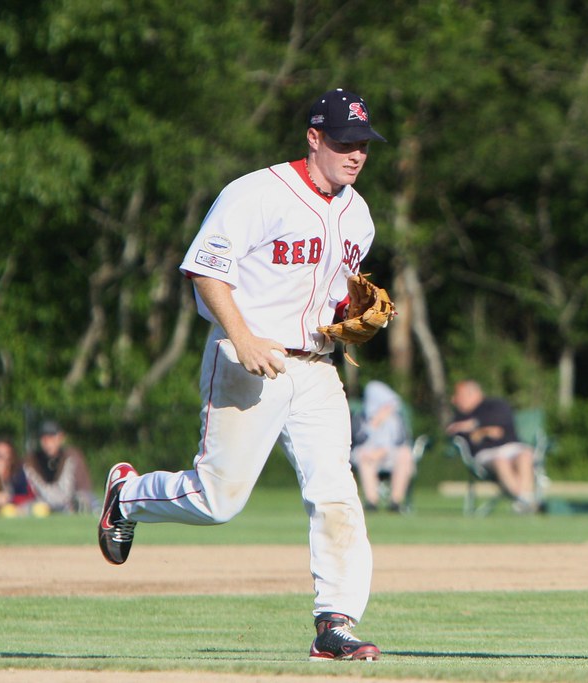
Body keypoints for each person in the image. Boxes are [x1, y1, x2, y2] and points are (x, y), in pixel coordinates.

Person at [97, 88, 387, 661]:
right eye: (344, 142)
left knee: (336, 495)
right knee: (217, 500)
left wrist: (349, 320)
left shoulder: (358, 213)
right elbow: (206, 272)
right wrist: (242, 335)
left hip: (317, 368)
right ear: (314, 138)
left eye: (363, 145)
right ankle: (127, 494)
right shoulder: (257, 192)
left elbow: (333, 299)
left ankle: (336, 623)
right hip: (248, 358)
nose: (355, 155)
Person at [445, 380, 537, 513]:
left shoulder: (496, 404)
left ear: (472, 394)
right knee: (500, 461)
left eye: (458, 395)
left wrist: (478, 428)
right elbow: (452, 430)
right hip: (486, 454)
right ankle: (524, 499)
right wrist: (486, 429)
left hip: (512, 447)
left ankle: (522, 500)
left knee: (525, 455)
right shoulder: (459, 415)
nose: (453, 400)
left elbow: (501, 422)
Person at [350, 379, 416, 512]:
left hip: (390, 456)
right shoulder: (361, 417)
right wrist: (374, 425)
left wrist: (384, 450)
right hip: (368, 454)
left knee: (405, 455)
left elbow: (401, 441)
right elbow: (357, 439)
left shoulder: (395, 419)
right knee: (365, 457)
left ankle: (396, 501)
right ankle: (371, 501)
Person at [24, 421, 97, 514]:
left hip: (70, 503)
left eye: (52, 438)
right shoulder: (32, 461)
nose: (48, 443)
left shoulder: (72, 457)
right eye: (44, 439)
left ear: (60, 438)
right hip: (42, 505)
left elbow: (84, 489)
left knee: (88, 500)